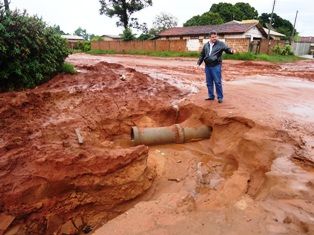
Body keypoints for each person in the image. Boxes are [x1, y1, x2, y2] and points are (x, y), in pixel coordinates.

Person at [197, 31, 236, 103]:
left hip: (216, 66)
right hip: (207, 66)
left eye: (215, 37)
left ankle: (220, 97)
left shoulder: (220, 44)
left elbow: (227, 49)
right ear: (209, 37)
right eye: (212, 37)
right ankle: (211, 96)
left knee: (217, 82)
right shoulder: (206, 45)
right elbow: (202, 55)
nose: (214, 38)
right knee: (209, 82)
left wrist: (231, 51)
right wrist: (198, 63)